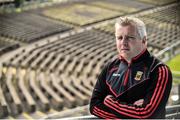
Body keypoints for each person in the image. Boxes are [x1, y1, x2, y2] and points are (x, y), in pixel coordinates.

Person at [89, 17, 172, 119]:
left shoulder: (159, 70)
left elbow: (147, 114)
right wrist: (132, 113)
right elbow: (94, 106)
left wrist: (109, 102)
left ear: (144, 40)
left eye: (130, 37)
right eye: (119, 38)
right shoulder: (109, 68)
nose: (123, 42)